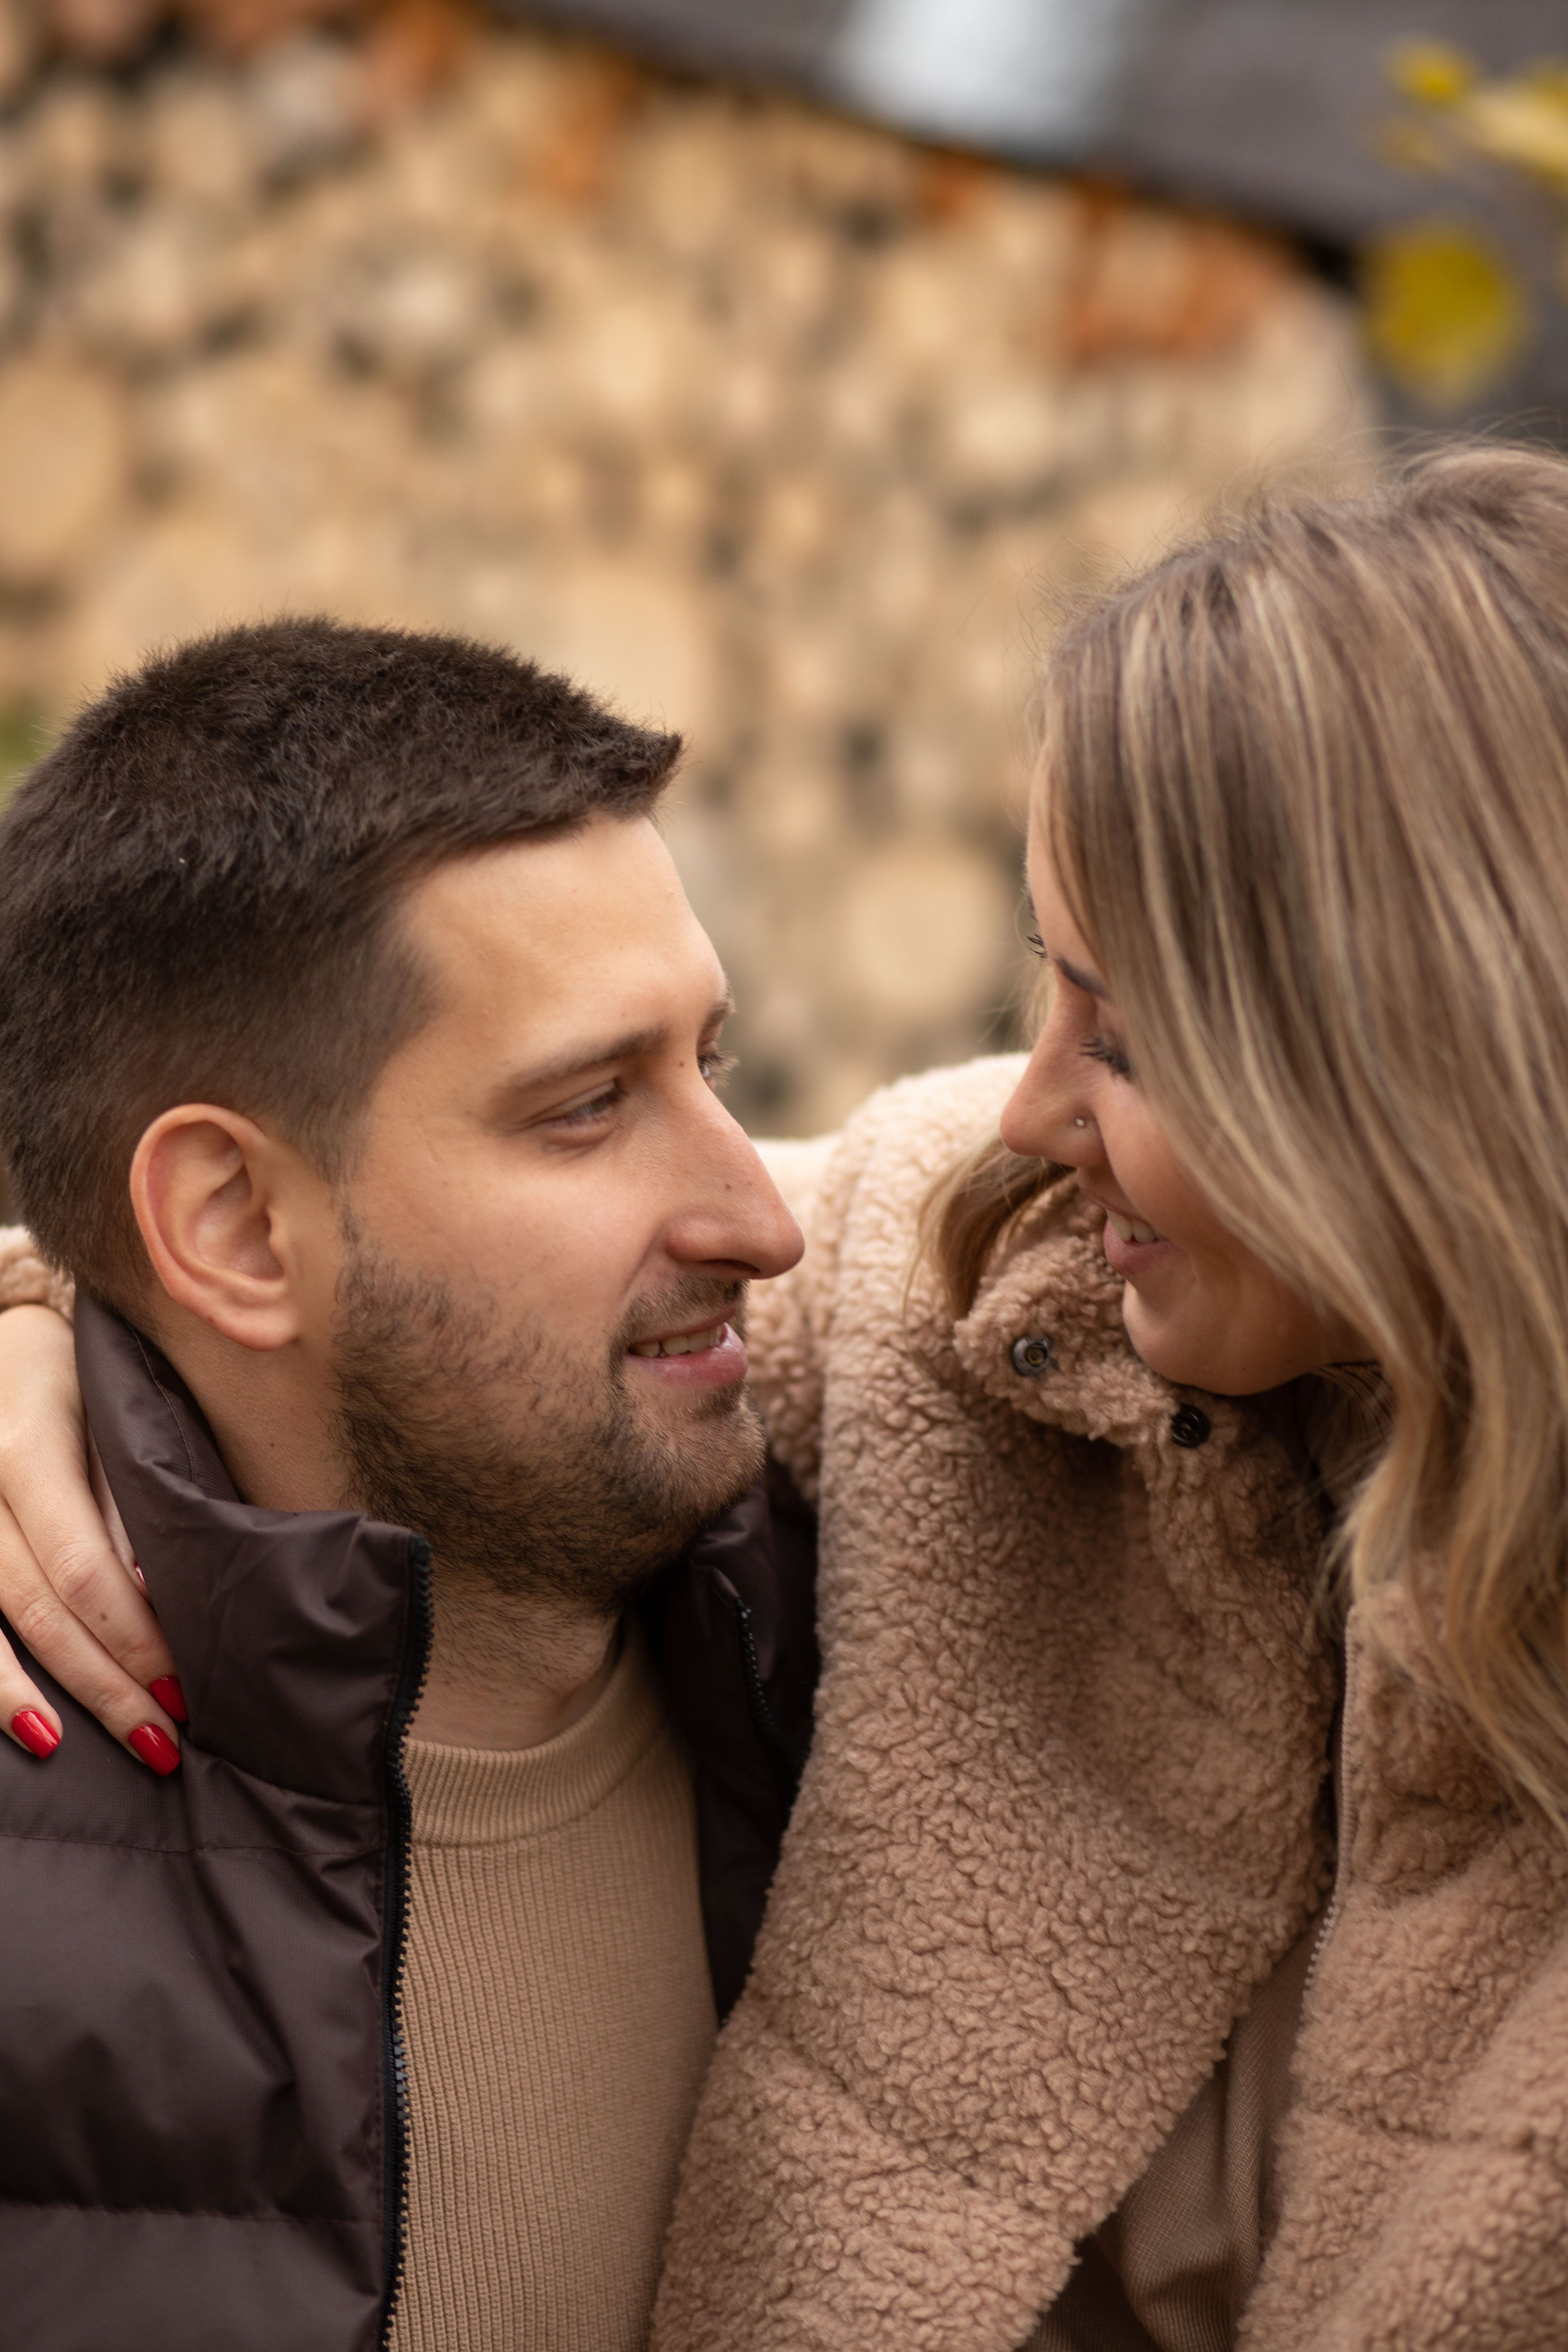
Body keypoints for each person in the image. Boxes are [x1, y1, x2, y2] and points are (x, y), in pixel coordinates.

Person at [9, 447, 1568, 2351]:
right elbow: (263, 1241)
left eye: (1132, 1037)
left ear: (1428, 1086)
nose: (1026, 1106)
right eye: (1042, 991)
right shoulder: (998, 1330)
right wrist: (43, 1322)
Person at [0, 617, 815, 2352]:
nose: (765, 1220)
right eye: (590, 1106)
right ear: (229, 1226)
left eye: (711, 1064)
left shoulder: (875, 1625)